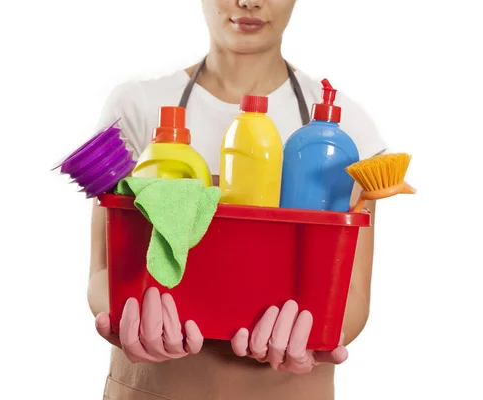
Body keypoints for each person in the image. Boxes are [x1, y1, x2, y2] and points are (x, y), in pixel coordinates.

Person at [88, 0, 386, 398]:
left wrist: (315, 338)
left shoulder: (347, 128)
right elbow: (102, 273)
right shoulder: (137, 106)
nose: (249, 1)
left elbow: (353, 299)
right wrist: (130, 318)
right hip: (155, 385)